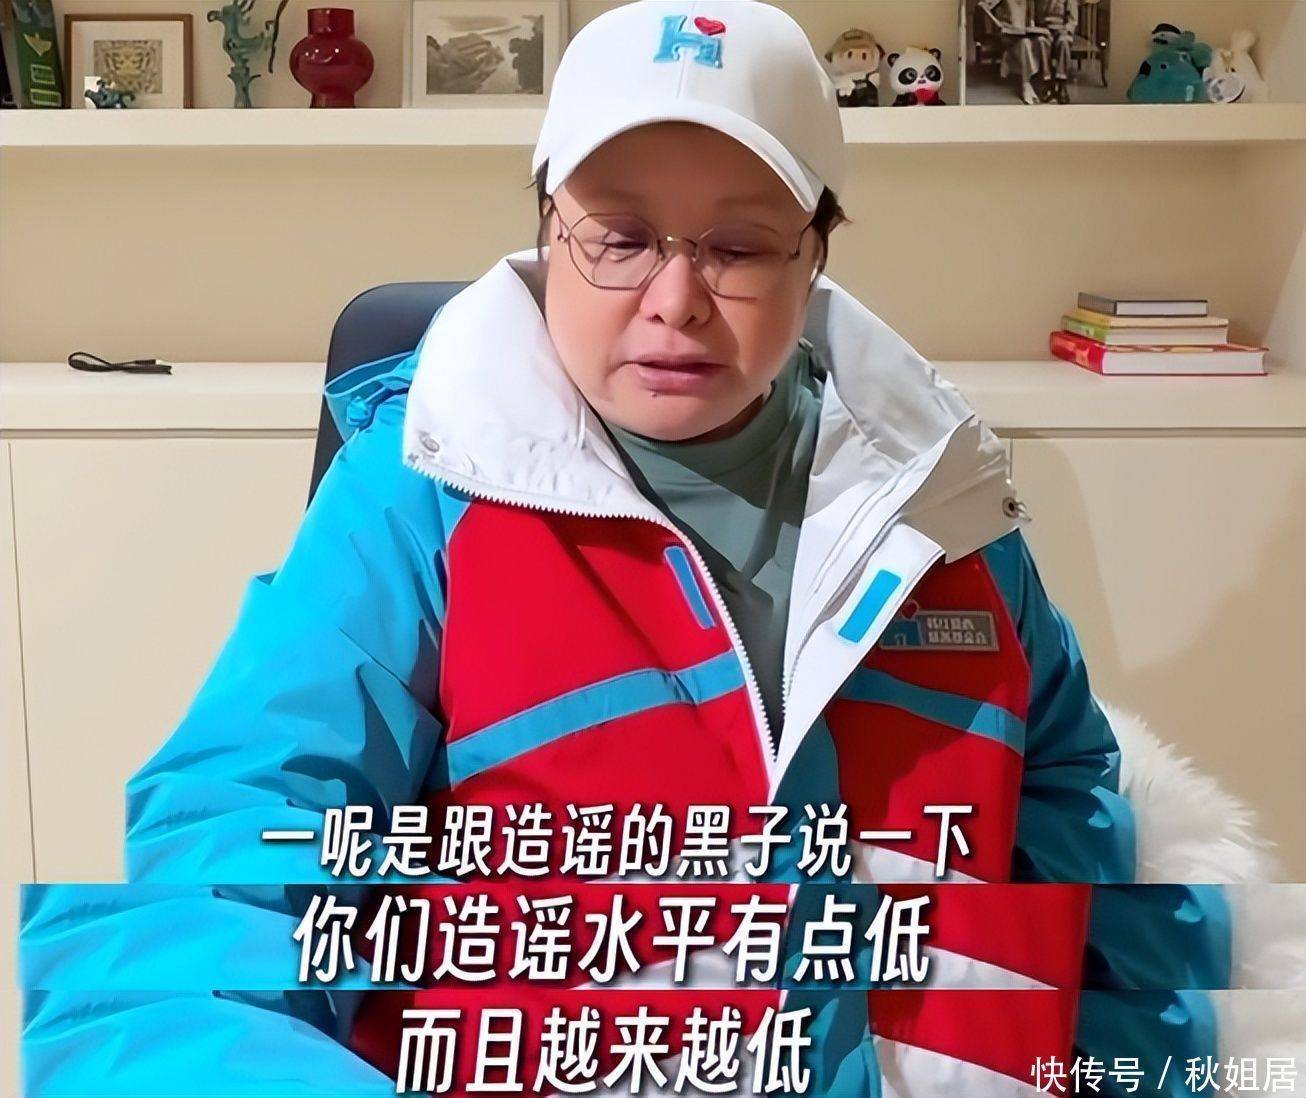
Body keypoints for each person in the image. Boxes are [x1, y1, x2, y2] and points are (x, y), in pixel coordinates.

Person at [19, 2, 1227, 1095]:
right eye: (620, 238)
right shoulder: (417, 494)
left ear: (815, 252)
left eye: (737, 246)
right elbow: (232, 849)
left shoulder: (932, 497)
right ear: (549, 232)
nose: (675, 298)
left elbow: (1070, 813)